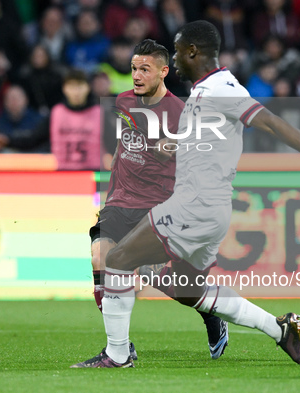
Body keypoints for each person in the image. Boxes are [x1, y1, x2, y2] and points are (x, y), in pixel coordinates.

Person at [72, 21, 300, 369]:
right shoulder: (203, 92)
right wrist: (174, 145)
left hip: (191, 207)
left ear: (192, 51)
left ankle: (117, 355)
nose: (174, 60)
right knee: (193, 292)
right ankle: (280, 330)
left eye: (176, 52)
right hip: (210, 210)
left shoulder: (222, 88)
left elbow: (269, 121)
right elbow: (208, 140)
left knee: (116, 261)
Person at [88, 39, 229, 363]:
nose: (136, 75)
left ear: (164, 72)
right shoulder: (123, 102)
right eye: (134, 68)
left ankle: (211, 315)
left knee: (163, 279)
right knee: (100, 258)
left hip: (157, 203)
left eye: (144, 69)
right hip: (120, 200)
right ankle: (119, 347)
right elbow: (124, 143)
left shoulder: (182, 112)